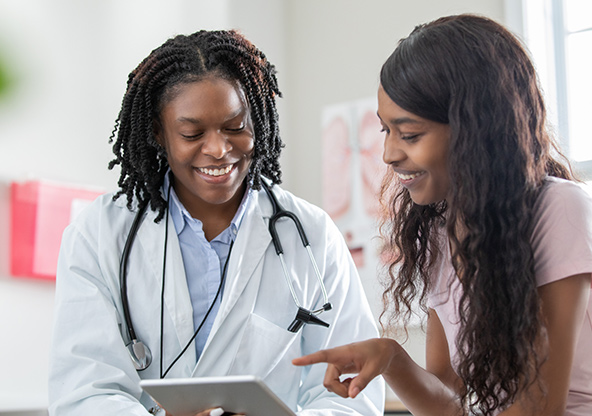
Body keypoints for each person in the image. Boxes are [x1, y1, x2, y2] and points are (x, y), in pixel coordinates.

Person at [48, 30, 384, 416]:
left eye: (235, 126)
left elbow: (353, 396)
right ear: (159, 133)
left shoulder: (310, 234)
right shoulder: (101, 234)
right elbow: (84, 392)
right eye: (192, 133)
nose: (218, 149)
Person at [293, 14, 592, 416]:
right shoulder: (438, 234)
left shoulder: (560, 208)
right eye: (386, 131)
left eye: (410, 134)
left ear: (475, 130)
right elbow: (449, 405)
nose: (389, 154)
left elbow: (539, 408)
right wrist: (391, 359)